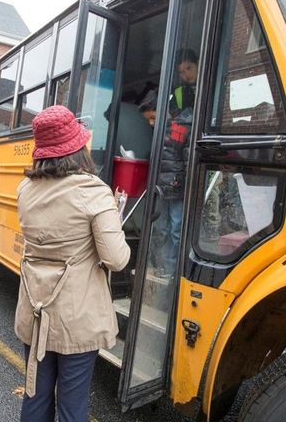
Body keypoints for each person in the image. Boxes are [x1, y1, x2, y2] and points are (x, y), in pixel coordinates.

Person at [16, 105, 130, 422]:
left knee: (35, 398)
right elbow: (116, 258)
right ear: (78, 148)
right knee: (72, 405)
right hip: (76, 315)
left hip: (35, 308)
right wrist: (113, 221)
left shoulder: (24, 189)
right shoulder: (92, 190)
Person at [139, 90, 193, 278]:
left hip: (177, 189)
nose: (151, 123)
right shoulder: (161, 130)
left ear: (164, 110)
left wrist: (186, 185)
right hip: (162, 188)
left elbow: (187, 160)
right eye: (148, 120)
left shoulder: (182, 128)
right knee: (161, 229)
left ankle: (174, 270)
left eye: (153, 117)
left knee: (177, 230)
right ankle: (164, 266)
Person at [169, 48, 198, 116]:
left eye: (188, 68)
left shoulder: (211, 84)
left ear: (198, 64)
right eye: (181, 72)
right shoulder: (178, 93)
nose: (186, 74)